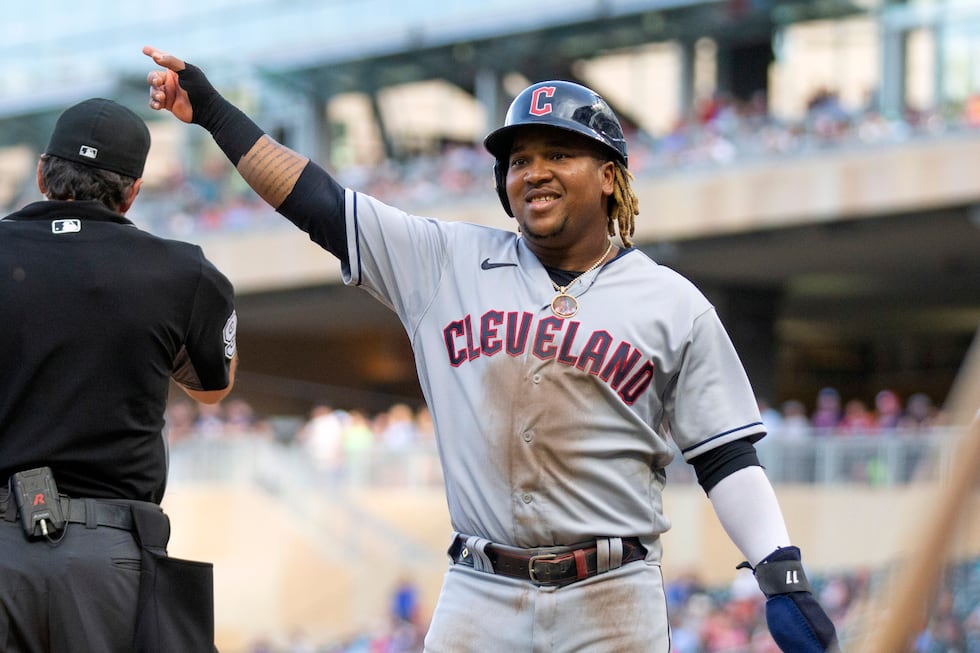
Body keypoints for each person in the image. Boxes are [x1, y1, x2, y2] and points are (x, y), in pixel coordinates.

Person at [143, 46, 838, 653]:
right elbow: (318, 201)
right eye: (519, 159)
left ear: (610, 176)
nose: (534, 171)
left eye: (559, 154)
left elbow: (724, 455)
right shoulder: (445, 261)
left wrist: (778, 566)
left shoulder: (672, 301)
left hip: (611, 595)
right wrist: (214, 112)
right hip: (479, 588)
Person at [0, 97, 238, 652]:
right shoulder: (184, 271)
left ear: (40, 173)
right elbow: (212, 389)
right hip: (109, 555)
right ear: (132, 191)